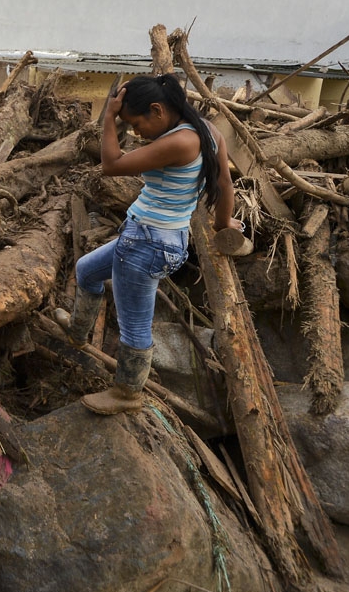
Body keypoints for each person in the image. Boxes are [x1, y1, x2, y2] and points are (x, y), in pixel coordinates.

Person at [55, 73, 239, 414]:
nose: (136, 132)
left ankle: (127, 394)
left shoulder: (181, 142)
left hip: (146, 244)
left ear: (157, 110)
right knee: (87, 271)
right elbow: (225, 183)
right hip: (159, 239)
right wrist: (223, 223)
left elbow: (111, 164)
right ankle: (78, 332)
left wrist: (108, 117)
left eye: (136, 124)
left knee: (135, 326)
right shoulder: (208, 131)